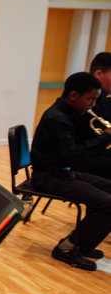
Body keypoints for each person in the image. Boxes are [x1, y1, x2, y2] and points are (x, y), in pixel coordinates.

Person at [31, 71, 111, 271]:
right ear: (74, 96)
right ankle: (67, 248)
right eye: (90, 99)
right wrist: (105, 138)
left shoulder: (70, 114)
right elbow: (71, 156)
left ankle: (83, 244)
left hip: (63, 172)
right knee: (108, 205)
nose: (93, 104)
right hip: (50, 176)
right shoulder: (57, 118)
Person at [73, 52, 111, 179]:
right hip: (82, 158)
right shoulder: (83, 101)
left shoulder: (104, 97)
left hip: (96, 152)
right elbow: (91, 140)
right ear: (99, 74)